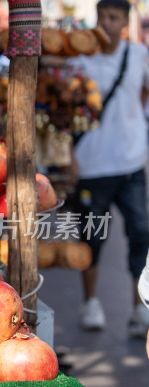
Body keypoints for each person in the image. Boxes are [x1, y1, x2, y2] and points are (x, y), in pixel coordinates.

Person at [67, 0, 149, 338]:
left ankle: (138, 309)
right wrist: (69, 155)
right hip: (91, 165)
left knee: (141, 233)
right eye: (101, 17)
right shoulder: (80, 59)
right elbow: (67, 110)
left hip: (130, 163)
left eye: (113, 17)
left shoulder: (140, 56)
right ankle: (91, 303)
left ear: (125, 22)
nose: (106, 23)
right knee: (92, 238)